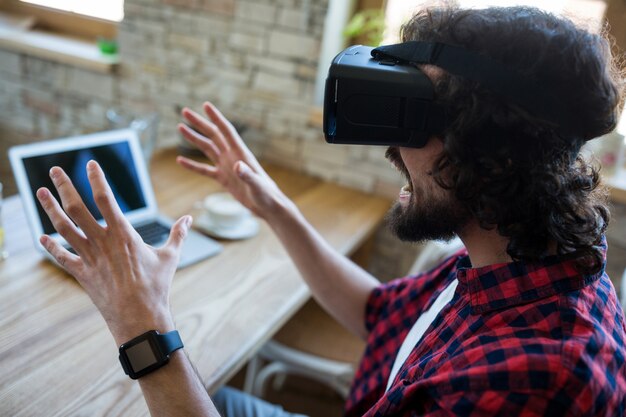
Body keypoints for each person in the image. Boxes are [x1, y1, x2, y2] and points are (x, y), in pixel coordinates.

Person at [35, 4, 626, 417]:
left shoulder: (532, 380)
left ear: (497, 156)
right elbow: (376, 315)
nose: (393, 150)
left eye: (417, 121)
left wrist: (143, 327)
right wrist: (274, 207)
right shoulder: (521, 262)